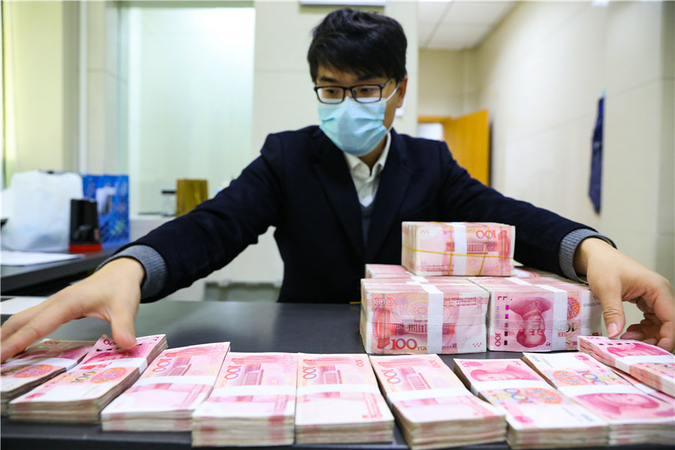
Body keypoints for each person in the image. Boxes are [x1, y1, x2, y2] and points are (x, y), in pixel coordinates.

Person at [1, 9, 673, 362]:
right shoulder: (287, 157)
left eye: (365, 90)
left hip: (411, 346)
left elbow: (505, 216)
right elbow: (217, 225)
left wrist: (589, 250)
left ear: (398, 91)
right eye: (330, 88)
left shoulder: (430, 165)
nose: (345, 105)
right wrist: (132, 268)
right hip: (303, 337)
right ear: (315, 85)